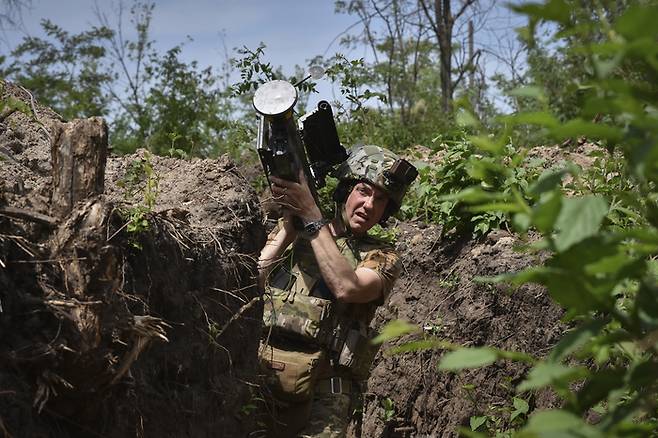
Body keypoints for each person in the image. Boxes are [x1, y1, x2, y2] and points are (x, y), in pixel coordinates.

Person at [258, 145, 417, 437]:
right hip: (264, 373)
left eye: (380, 199)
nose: (369, 204)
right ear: (345, 191)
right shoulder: (298, 231)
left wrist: (311, 216)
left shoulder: (383, 256)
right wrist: (290, 229)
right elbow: (254, 278)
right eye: (363, 191)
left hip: (325, 392)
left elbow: (347, 287)